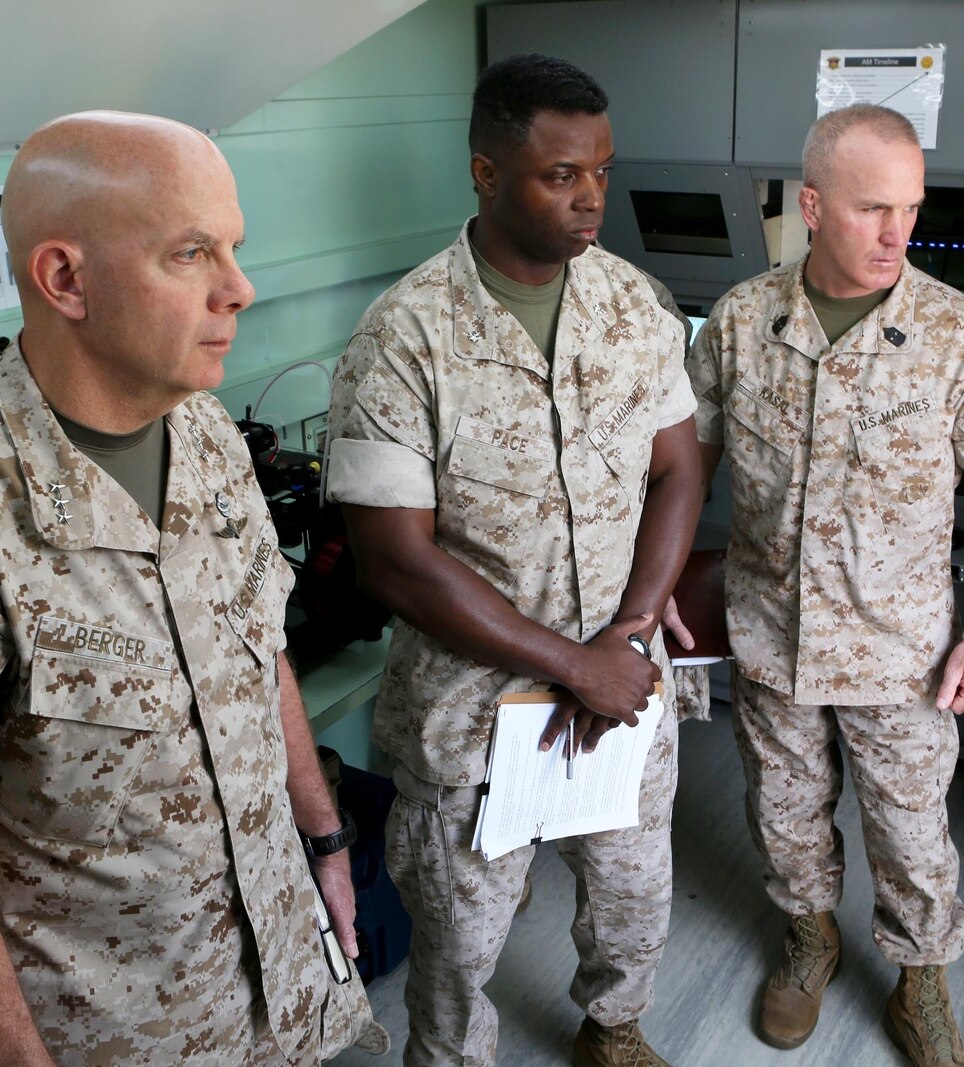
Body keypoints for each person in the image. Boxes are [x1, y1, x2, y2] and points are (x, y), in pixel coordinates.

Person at [0, 111, 385, 1065]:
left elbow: (259, 647)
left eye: (232, 248)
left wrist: (323, 836)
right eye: (191, 253)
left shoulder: (202, 433)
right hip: (113, 1034)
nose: (238, 289)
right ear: (65, 278)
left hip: (288, 981)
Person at [325, 54, 703, 1067]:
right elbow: (392, 562)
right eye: (559, 175)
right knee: (458, 937)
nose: (590, 200)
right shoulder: (402, 337)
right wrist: (569, 661)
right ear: (487, 174)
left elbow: (677, 469)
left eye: (602, 172)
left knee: (631, 891)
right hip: (472, 711)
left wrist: (626, 630)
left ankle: (613, 1026)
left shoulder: (632, 305)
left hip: (619, 679)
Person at [685, 104, 964, 1067]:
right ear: (810, 205)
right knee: (785, 818)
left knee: (911, 835)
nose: (898, 234)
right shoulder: (738, 321)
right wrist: (657, 600)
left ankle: (919, 985)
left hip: (901, 652)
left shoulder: (952, 333)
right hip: (768, 635)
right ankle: (809, 942)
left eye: (912, 209)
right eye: (872, 208)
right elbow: (685, 463)